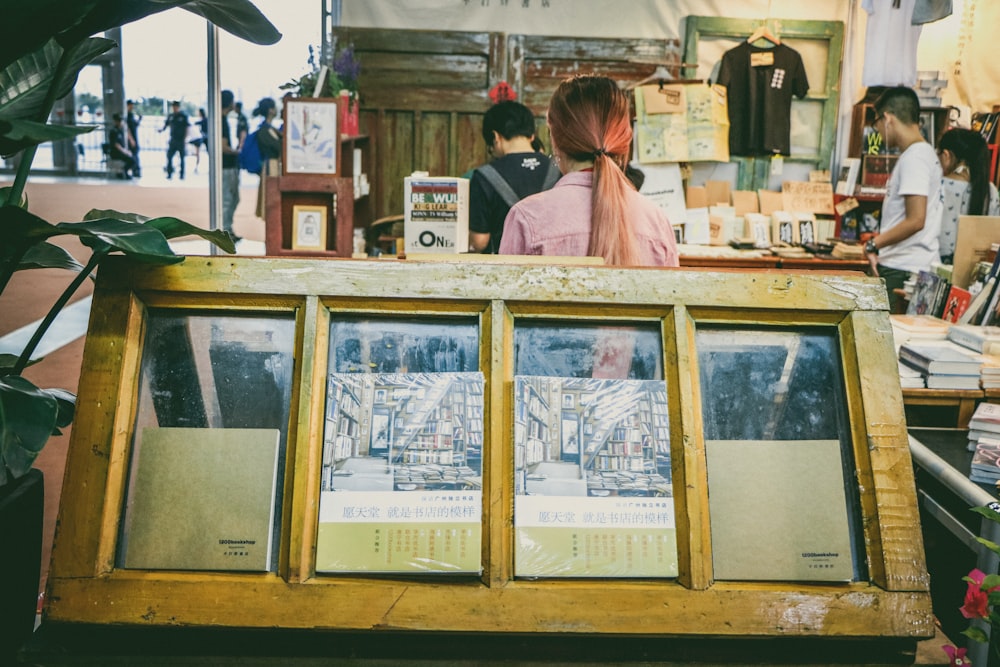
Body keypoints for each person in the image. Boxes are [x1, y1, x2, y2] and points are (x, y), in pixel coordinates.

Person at [498, 75, 678, 268]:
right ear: (624, 140)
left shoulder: (526, 218)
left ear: (555, 140)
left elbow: (503, 295)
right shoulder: (657, 222)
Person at [863, 86, 943, 312]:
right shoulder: (923, 153)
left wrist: (873, 244)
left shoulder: (914, 158)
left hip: (902, 268)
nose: (876, 130)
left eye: (876, 123)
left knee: (887, 341)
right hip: (913, 265)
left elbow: (916, 219)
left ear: (887, 119)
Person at [468, 101, 560, 253]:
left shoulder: (484, 176)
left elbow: (479, 242)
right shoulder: (558, 169)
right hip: (553, 267)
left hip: (506, 270)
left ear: (495, 137)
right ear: (532, 135)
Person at [936, 127, 1000, 264]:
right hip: (973, 271)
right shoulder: (990, 190)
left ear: (947, 156)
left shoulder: (936, 185)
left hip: (934, 268)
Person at [252, 97, 283, 217]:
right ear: (270, 110)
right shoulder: (265, 130)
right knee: (271, 196)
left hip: (271, 164)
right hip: (271, 165)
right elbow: (278, 147)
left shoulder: (268, 128)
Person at [220, 89, 241, 241]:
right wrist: (238, 152)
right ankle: (225, 231)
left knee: (232, 198)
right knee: (228, 199)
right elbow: (223, 147)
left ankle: (227, 229)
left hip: (226, 166)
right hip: (226, 166)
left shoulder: (221, 119)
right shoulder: (222, 121)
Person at [160, 100, 189, 179]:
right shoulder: (171, 116)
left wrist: (185, 139)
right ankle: (169, 173)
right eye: (173, 107)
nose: (174, 108)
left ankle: (182, 174)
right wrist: (161, 130)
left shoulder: (183, 116)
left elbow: (187, 127)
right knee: (169, 156)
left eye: (175, 107)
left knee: (182, 158)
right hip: (173, 139)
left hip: (181, 140)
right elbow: (166, 125)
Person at [107, 113, 137, 179]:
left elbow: (122, 143)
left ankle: (123, 172)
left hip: (121, 152)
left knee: (134, 158)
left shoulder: (120, 131)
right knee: (132, 160)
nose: (121, 123)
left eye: (121, 121)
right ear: (116, 121)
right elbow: (116, 144)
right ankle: (124, 171)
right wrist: (125, 152)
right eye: (119, 121)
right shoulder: (113, 131)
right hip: (115, 153)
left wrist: (127, 151)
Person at [188, 108, 208, 172]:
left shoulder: (204, 120)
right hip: (203, 137)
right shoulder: (204, 120)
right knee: (198, 152)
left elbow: (197, 123)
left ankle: (196, 166)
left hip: (205, 137)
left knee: (199, 152)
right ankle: (196, 167)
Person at [125, 99, 142, 177]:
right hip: (131, 138)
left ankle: (136, 171)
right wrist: (130, 139)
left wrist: (139, 119)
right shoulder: (126, 115)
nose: (132, 106)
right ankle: (135, 170)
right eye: (131, 105)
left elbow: (135, 125)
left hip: (135, 137)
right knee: (133, 155)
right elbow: (126, 128)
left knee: (135, 154)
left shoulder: (131, 115)